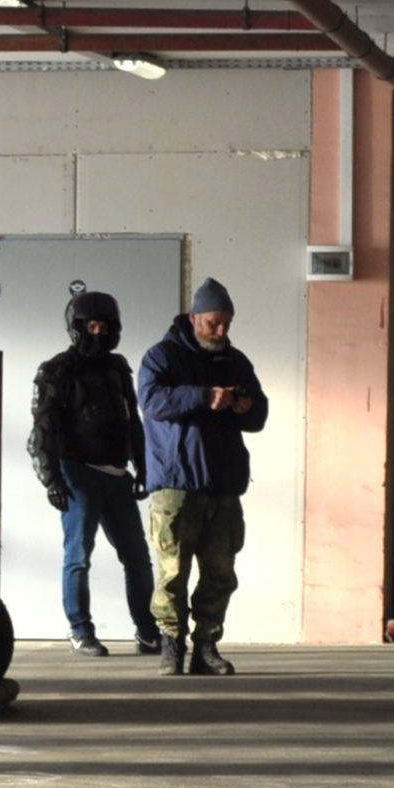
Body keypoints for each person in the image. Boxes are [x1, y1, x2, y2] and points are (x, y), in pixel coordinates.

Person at [138, 277, 267, 676]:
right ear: (193, 318)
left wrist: (245, 407)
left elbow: (259, 416)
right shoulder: (162, 357)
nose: (221, 331)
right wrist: (203, 395)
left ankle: (206, 646)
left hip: (224, 486)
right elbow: (151, 401)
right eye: (213, 323)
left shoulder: (236, 361)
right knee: (172, 573)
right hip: (176, 485)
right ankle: (171, 645)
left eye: (227, 323)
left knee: (220, 574)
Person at [29, 281, 162, 658]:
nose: (98, 333)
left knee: (137, 556)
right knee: (78, 556)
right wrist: (52, 479)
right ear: (77, 327)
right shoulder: (56, 370)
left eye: (104, 325)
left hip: (117, 474)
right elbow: (42, 428)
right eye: (91, 325)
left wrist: (143, 466)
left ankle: (148, 631)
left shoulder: (118, 368)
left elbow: (131, 419)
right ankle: (80, 630)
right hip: (77, 472)